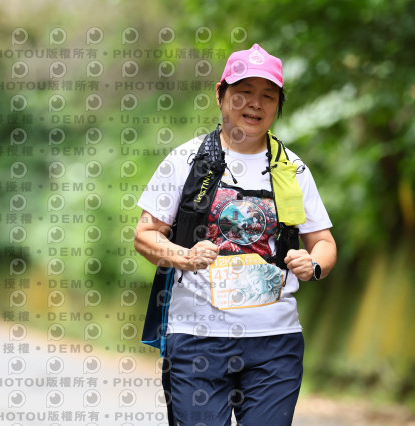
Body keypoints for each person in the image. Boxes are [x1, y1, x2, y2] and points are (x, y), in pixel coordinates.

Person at [134, 43, 337, 426]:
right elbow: (146, 235)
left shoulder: (291, 169)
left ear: (278, 105)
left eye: (268, 96)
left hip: (275, 343)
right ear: (220, 94)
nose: (255, 104)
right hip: (196, 338)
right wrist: (184, 256)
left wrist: (312, 265)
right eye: (243, 92)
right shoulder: (185, 161)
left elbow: (323, 243)